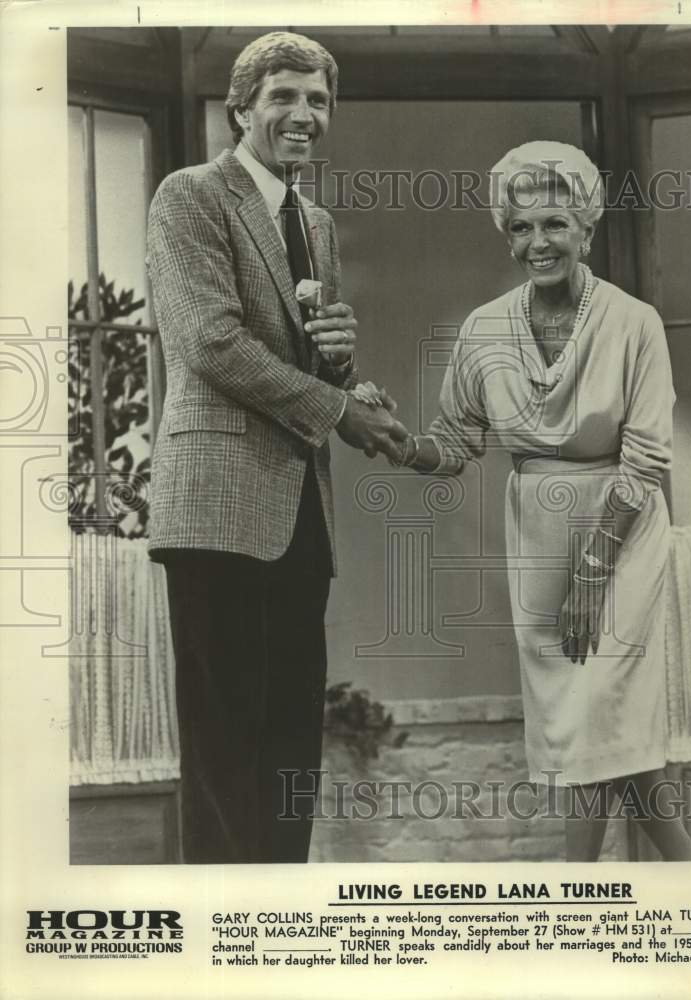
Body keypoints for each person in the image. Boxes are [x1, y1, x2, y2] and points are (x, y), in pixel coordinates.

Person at [379, 140, 691, 861]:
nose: (538, 242)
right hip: (538, 535)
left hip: (621, 528)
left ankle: (570, 892)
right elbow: (456, 441)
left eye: (555, 224)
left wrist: (593, 569)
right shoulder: (483, 329)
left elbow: (647, 456)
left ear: (586, 228)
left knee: (597, 715)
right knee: (605, 733)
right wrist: (397, 441)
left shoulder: (634, 322)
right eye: (521, 227)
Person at [145, 31, 407, 864]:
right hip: (216, 508)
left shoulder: (314, 223)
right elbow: (210, 343)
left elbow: (305, 366)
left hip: (298, 512)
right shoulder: (191, 196)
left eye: (318, 100)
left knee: (290, 740)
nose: (304, 114)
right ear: (240, 109)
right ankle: (221, 928)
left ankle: (277, 917)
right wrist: (337, 410)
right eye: (283, 96)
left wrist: (345, 371)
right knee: (225, 743)